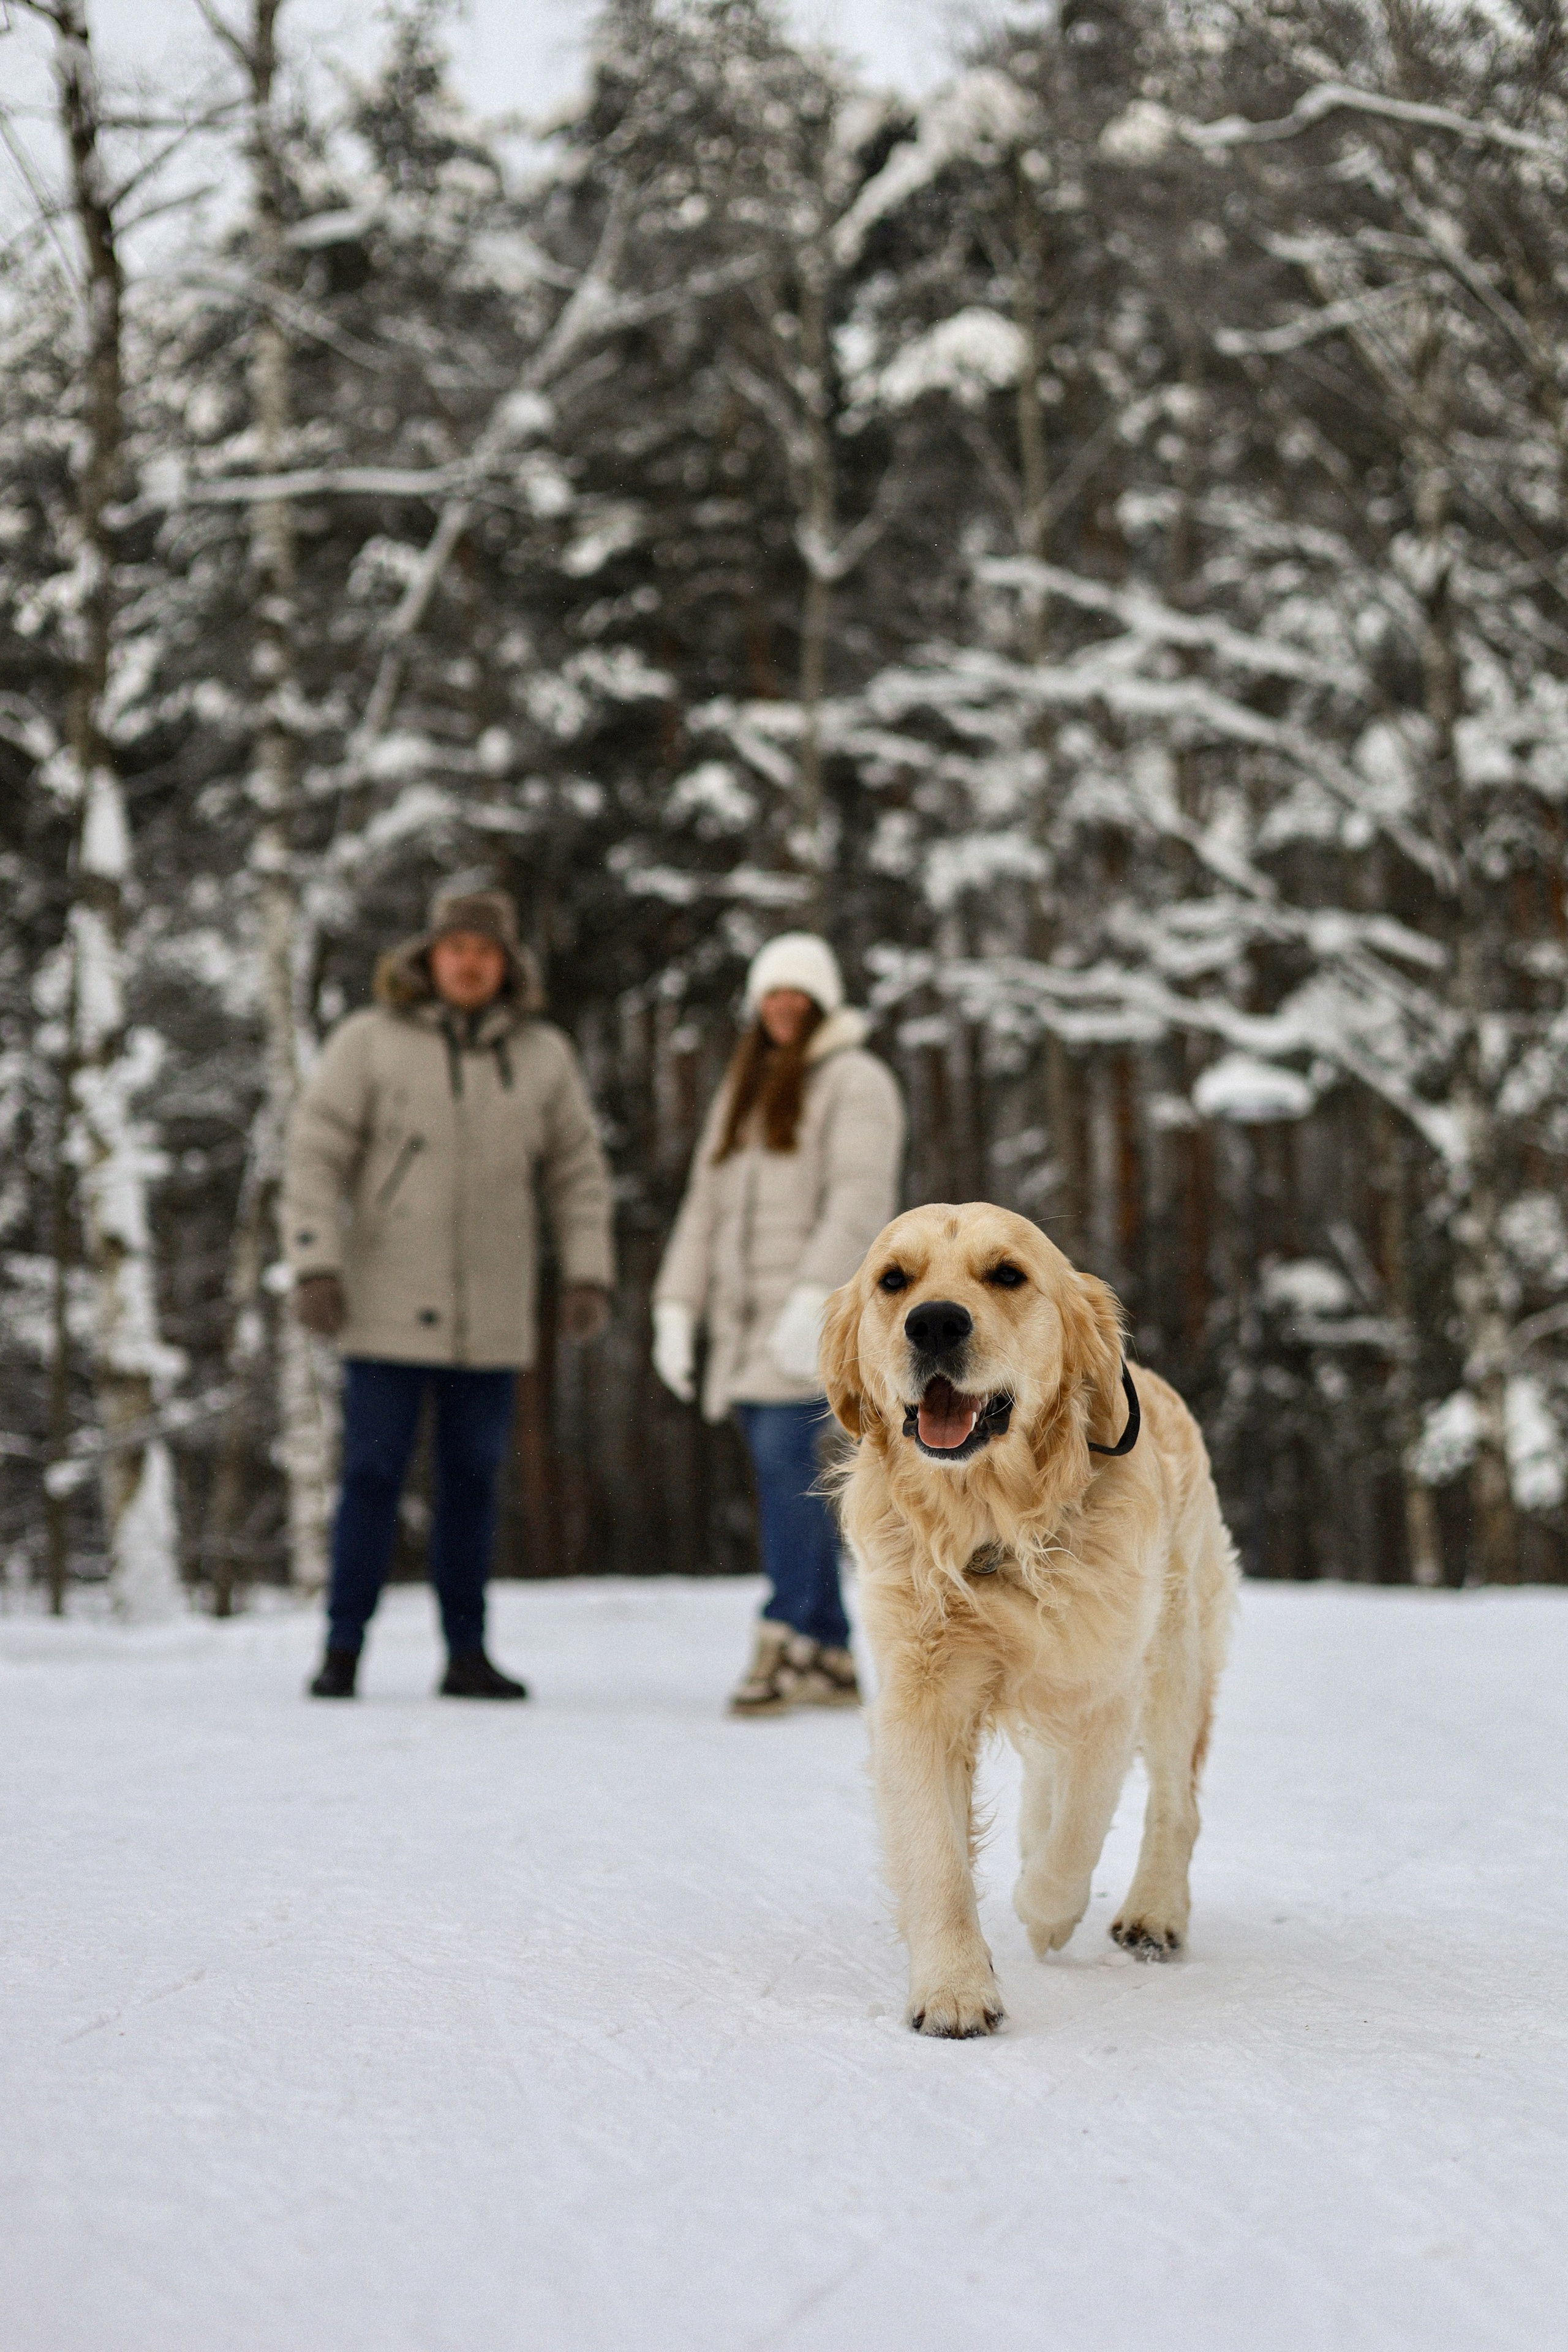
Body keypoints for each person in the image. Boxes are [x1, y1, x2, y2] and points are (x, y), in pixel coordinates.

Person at [285, 886, 614, 1700]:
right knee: (371, 1477)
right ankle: (342, 1650)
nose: (469, 963)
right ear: (429, 956)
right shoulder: (370, 1041)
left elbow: (578, 1173)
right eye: (456, 948)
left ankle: (466, 1654)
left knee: (473, 1480)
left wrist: (586, 1272)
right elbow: (314, 1154)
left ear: (506, 966)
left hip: (494, 1312)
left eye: (486, 951)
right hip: (385, 1304)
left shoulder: (543, 1055)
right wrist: (314, 1261)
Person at [652, 932, 905, 1714]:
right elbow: (704, 1208)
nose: (784, 1008)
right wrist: (676, 1305)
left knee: (783, 1461)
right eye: (772, 995)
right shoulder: (745, 1089)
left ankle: (784, 1632)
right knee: (787, 1469)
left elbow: (859, 1198)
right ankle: (829, 1651)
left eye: (799, 995)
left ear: (823, 1002)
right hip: (744, 1327)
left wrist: (814, 1301)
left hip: (814, 1324)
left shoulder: (857, 1081)